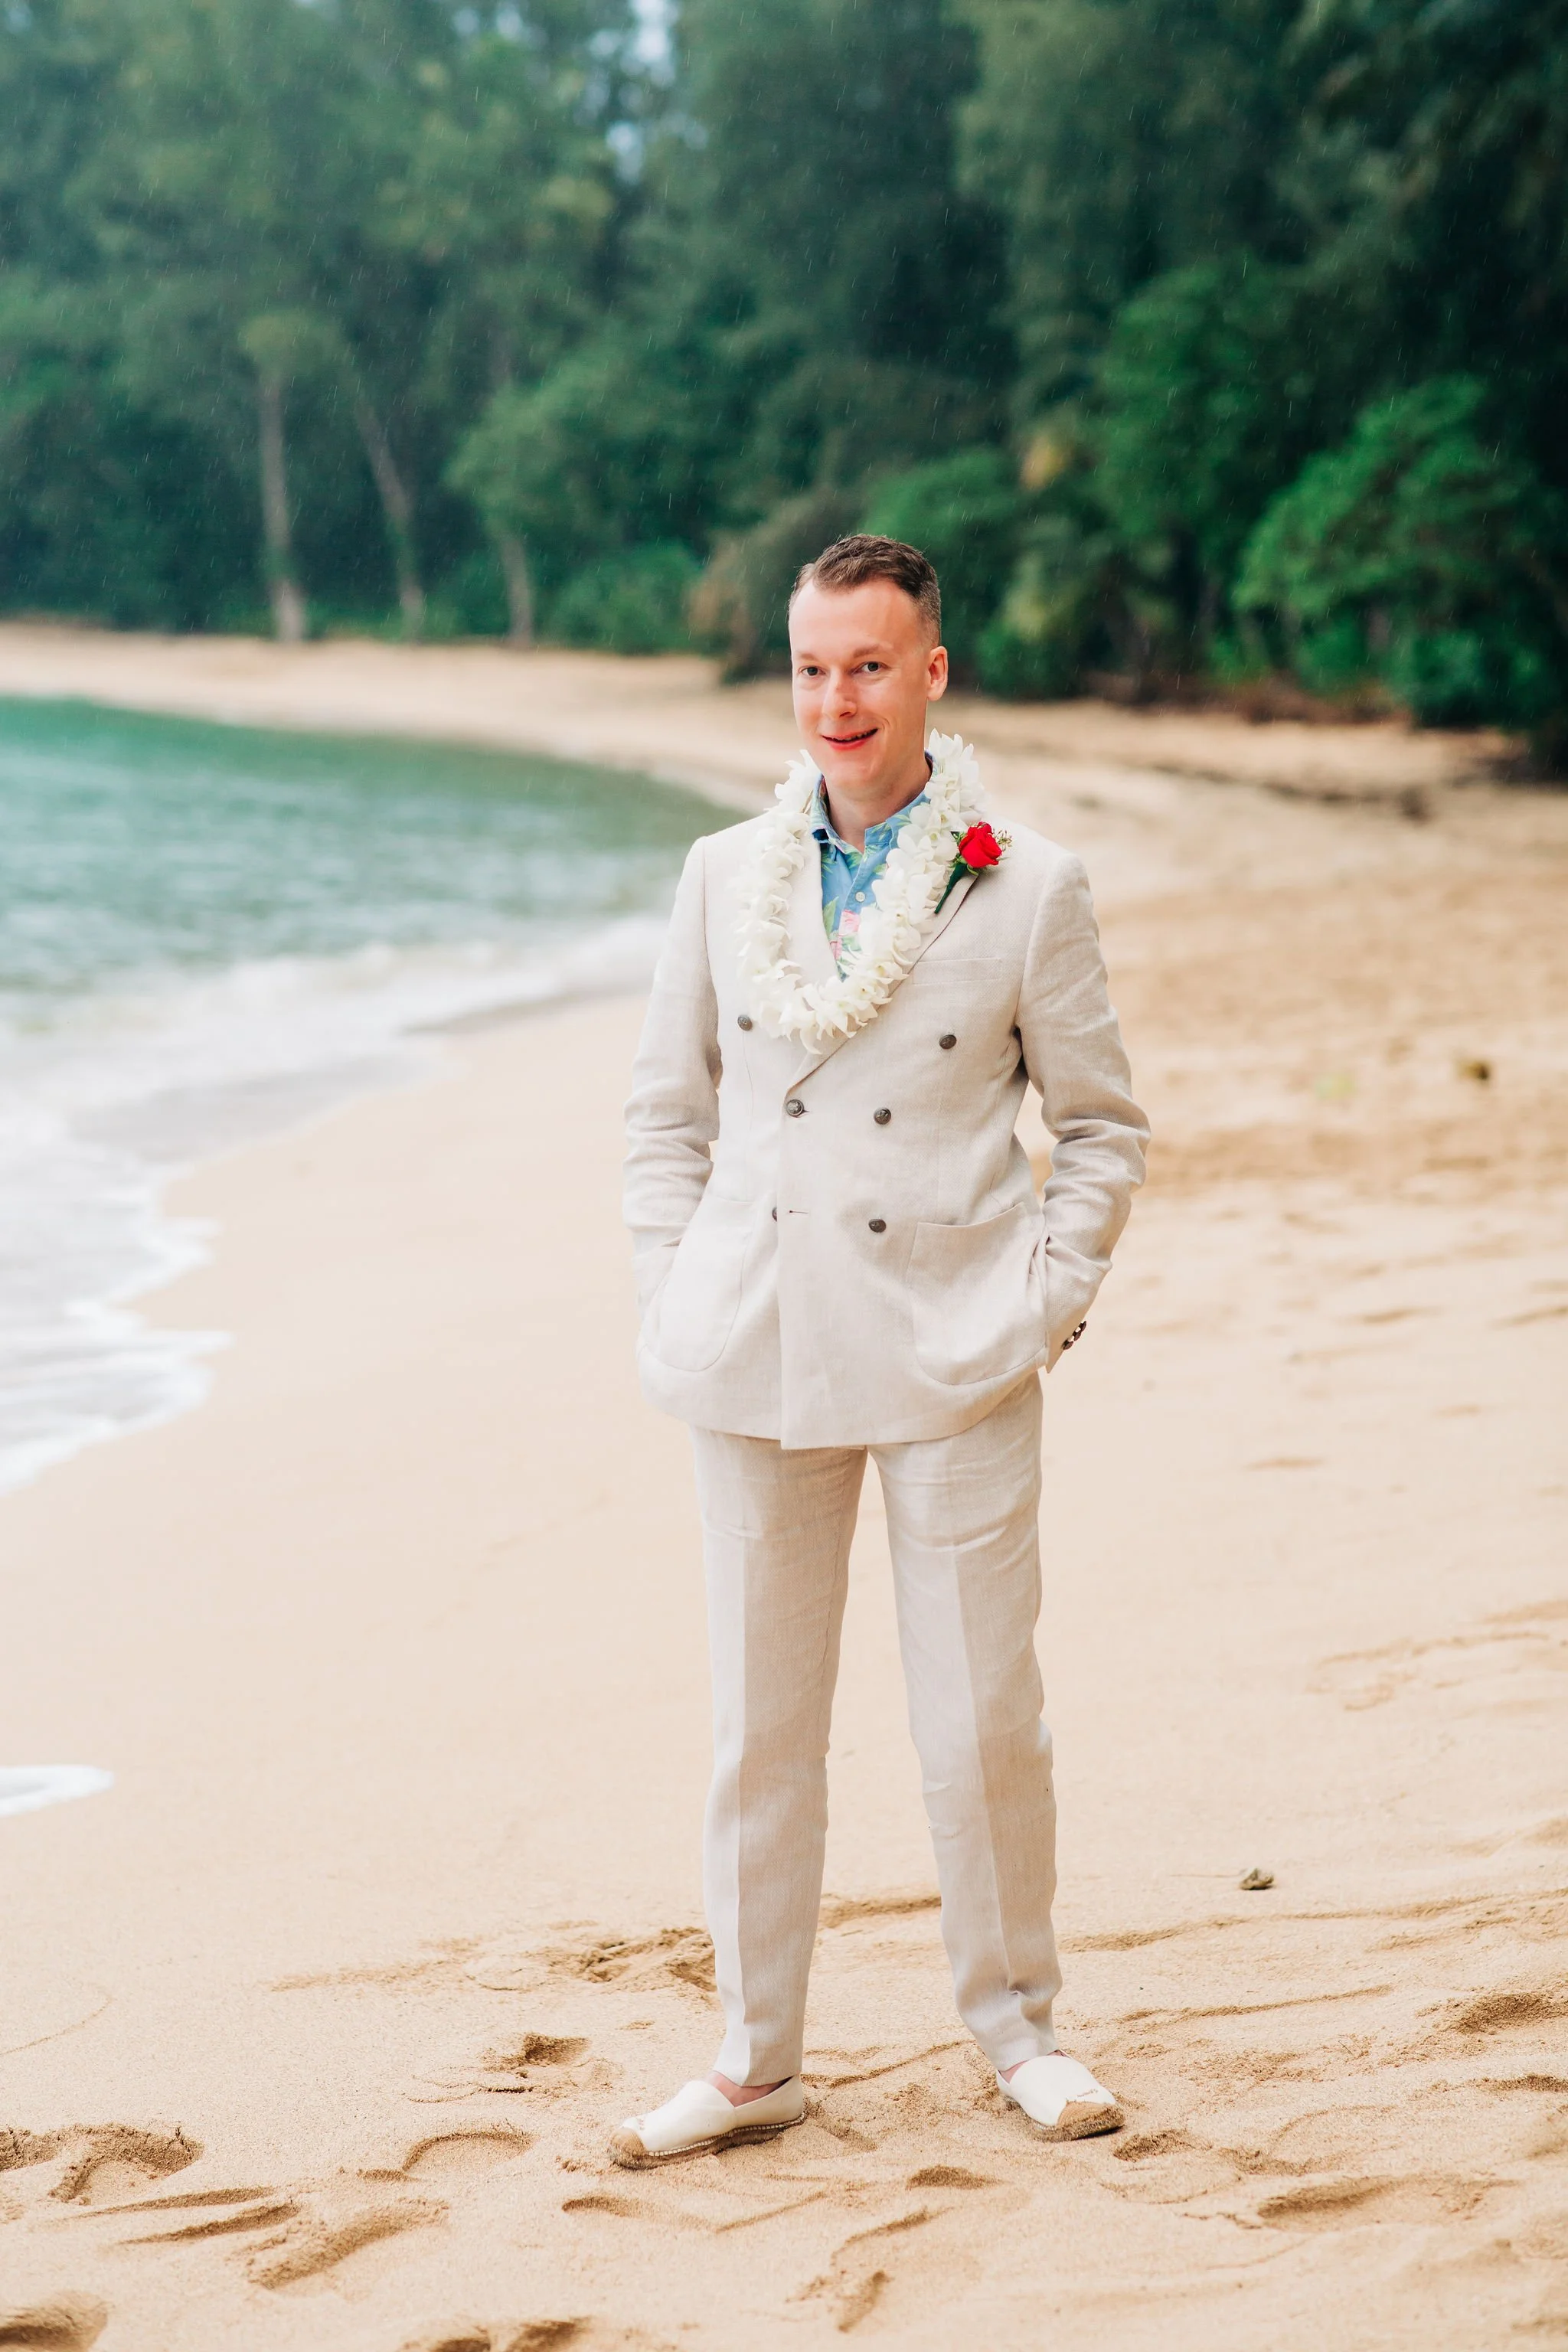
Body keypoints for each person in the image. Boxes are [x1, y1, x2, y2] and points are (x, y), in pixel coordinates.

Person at [616, 534, 1148, 2165]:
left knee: (980, 1718)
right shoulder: (723, 873)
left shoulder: (1027, 878)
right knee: (759, 1727)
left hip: (954, 1348)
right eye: (809, 665)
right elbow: (662, 1115)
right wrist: (673, 1287)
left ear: (930, 671)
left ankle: (1016, 2029)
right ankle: (755, 2054)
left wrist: (1042, 1302)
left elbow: (1103, 1126)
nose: (833, 700)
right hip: (756, 1352)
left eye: (866, 665)